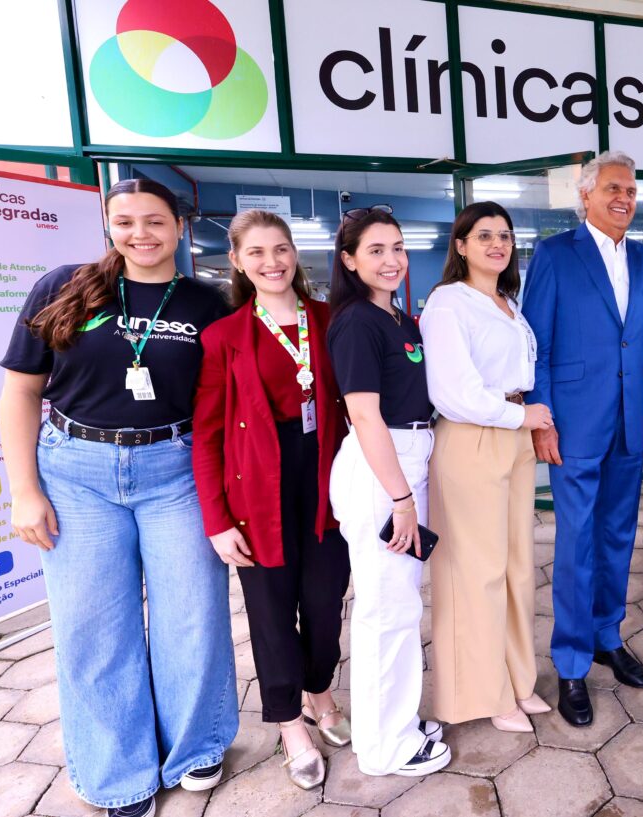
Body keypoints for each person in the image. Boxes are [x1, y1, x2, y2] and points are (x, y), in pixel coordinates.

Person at [0, 178, 236, 817]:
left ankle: (195, 745)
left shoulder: (206, 302)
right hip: (77, 473)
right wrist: (24, 490)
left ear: (180, 227)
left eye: (155, 221)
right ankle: (117, 774)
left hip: (176, 470)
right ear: (108, 226)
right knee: (95, 629)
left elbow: (224, 399)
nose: (141, 234)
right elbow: (21, 391)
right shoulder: (66, 287)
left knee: (192, 617)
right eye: (125, 221)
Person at [192, 210, 350, 790]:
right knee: (271, 613)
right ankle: (290, 723)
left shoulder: (329, 320)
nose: (272, 262)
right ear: (237, 262)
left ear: (295, 254)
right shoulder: (224, 337)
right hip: (256, 486)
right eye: (256, 253)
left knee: (326, 603)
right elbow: (206, 434)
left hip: (326, 476)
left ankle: (320, 690)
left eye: (280, 249)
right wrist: (217, 520)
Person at [522, 151, 643, 727]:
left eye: (630, 190)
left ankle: (608, 636)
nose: (624, 199)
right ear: (585, 196)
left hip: (631, 422)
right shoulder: (556, 254)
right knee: (576, 543)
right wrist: (543, 418)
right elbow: (537, 343)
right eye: (613, 188)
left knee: (618, 537)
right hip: (575, 423)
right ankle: (570, 661)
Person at [326, 206, 449, 776]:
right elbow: (365, 417)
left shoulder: (396, 317)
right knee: (385, 611)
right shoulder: (357, 322)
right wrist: (401, 500)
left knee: (399, 606)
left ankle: (395, 722)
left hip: (405, 462)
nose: (391, 259)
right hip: (382, 472)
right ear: (349, 260)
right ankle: (384, 748)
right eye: (375, 250)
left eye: (397, 247)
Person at [422, 202, 554, 732]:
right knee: (475, 574)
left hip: (514, 435)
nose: (497, 244)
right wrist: (521, 415)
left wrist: (524, 417)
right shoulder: (449, 302)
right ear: (461, 246)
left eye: (504, 235)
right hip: (474, 437)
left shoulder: (507, 302)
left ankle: (517, 680)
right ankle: (483, 695)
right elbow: (453, 392)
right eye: (484, 236)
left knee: (517, 567)